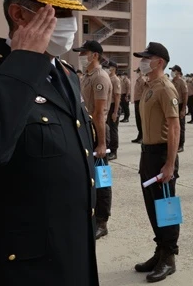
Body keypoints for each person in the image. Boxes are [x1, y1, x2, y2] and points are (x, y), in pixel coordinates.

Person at [0, 0, 99, 285]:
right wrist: (23, 60)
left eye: (72, 12)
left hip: (72, 253)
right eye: (59, 12)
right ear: (19, 14)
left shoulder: (65, 73)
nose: (71, 23)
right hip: (22, 268)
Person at [133, 42, 180, 283]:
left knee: (166, 210)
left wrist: (170, 164)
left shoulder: (165, 88)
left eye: (146, 57)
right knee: (153, 207)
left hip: (162, 154)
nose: (142, 61)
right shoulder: (149, 86)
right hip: (148, 153)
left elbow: (174, 127)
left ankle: (169, 257)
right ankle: (160, 250)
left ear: (159, 61)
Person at [73, 40, 113, 240]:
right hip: (87, 130)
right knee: (89, 176)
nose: (81, 56)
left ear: (95, 55)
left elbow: (99, 113)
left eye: (84, 52)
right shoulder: (86, 77)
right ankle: (91, 214)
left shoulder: (100, 77)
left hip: (98, 132)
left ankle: (102, 221)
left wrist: (102, 143)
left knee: (101, 178)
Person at [103, 60, 121, 160]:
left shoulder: (115, 80)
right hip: (108, 106)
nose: (107, 69)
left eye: (108, 67)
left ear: (113, 68)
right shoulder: (108, 78)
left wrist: (115, 112)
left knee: (113, 130)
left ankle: (114, 151)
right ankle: (109, 148)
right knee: (108, 129)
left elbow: (117, 96)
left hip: (114, 106)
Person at [170, 65, 188, 152]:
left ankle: (181, 144)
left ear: (177, 72)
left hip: (180, 105)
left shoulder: (182, 82)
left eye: (173, 70)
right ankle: (174, 144)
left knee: (181, 126)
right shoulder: (171, 82)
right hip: (173, 105)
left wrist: (183, 109)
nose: (172, 72)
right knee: (173, 126)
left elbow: (185, 95)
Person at [132, 67, 146, 143]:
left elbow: (145, 92)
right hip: (137, 101)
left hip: (141, 101)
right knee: (138, 120)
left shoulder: (143, 80)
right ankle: (139, 135)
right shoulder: (138, 80)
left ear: (141, 72)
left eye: (138, 72)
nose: (137, 73)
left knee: (141, 120)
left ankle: (143, 137)